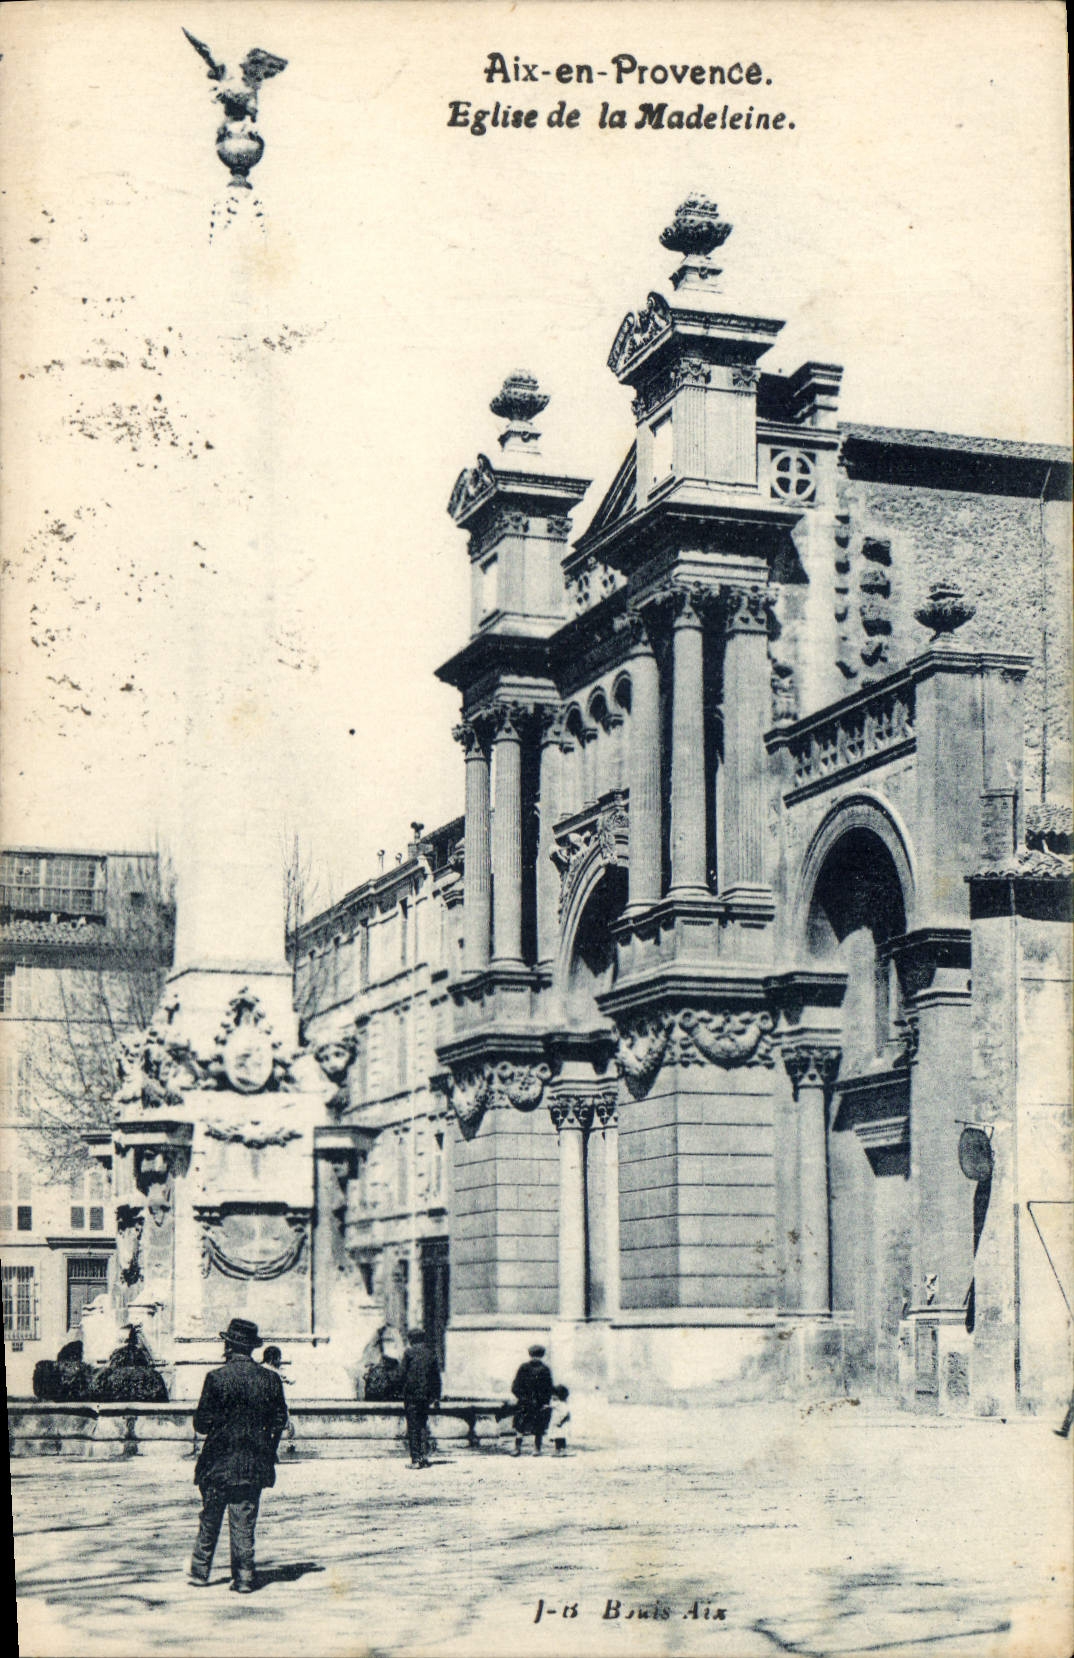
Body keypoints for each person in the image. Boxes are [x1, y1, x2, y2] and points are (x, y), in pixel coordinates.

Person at [188, 1317, 288, 1593]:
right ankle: (244, 1577)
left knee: (210, 1517)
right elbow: (280, 1420)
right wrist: (268, 1448)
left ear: (228, 1345)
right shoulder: (270, 1379)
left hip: (217, 1462)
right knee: (244, 1519)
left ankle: (199, 1572)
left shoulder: (216, 1378)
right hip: (253, 1461)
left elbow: (202, 1424)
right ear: (252, 1348)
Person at [399, 1327, 441, 1470]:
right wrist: (436, 1397)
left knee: (413, 1427)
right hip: (426, 1396)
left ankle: (416, 1459)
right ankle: (424, 1457)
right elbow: (436, 1377)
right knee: (423, 1425)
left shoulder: (409, 1353)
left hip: (412, 1395)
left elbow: (401, 1374)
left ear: (412, 1340)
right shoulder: (431, 1354)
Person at [511, 1344, 553, 1456]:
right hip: (524, 1402)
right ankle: (517, 1448)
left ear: (541, 1356)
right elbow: (515, 1386)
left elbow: (548, 1388)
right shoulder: (524, 1368)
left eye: (538, 1356)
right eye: (534, 1355)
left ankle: (537, 1449)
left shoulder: (545, 1370)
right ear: (530, 1355)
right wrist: (522, 1397)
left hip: (539, 1403)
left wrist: (545, 1402)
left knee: (539, 1426)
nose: (536, 1358)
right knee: (520, 1426)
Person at [261, 1345, 295, 1453]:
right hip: (274, 1405)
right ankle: (272, 1451)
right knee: (279, 1428)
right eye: (278, 1358)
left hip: (262, 1404)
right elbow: (291, 1380)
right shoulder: (275, 1372)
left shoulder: (260, 1368)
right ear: (274, 1358)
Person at [550, 1384, 570, 1455]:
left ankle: (560, 1450)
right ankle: (559, 1450)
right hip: (557, 1424)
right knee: (558, 1438)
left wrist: (560, 1421)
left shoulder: (561, 1404)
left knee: (559, 1438)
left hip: (560, 1425)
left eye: (554, 1395)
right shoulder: (558, 1403)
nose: (552, 1396)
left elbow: (566, 1413)